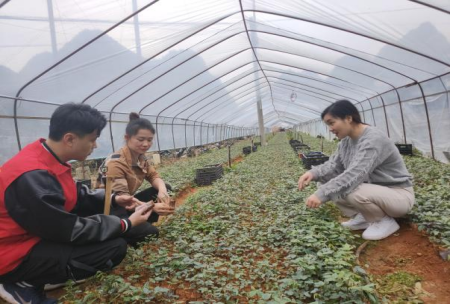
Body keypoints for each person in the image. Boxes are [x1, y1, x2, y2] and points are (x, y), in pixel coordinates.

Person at [0, 104, 154, 304]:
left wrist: (114, 199)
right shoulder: (32, 175)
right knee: (113, 248)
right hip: (13, 252)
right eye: (92, 140)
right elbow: (68, 229)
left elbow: (75, 194)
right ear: (70, 139)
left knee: (117, 239)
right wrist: (125, 224)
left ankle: (46, 272)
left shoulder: (46, 157)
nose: (95, 146)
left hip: (37, 234)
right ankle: (18, 281)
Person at [298, 100, 415, 241]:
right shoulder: (346, 142)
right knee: (325, 184)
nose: (330, 128)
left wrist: (321, 195)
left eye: (331, 122)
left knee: (352, 188)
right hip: (374, 191)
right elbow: (333, 166)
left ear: (348, 118)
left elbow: (355, 174)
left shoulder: (373, 139)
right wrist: (313, 173)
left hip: (398, 195)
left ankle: (382, 221)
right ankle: (363, 217)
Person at [97, 113, 175, 245]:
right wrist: (153, 206)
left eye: (149, 140)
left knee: (165, 187)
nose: (146, 144)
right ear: (127, 138)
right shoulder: (116, 163)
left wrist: (162, 191)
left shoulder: (141, 157)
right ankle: (123, 233)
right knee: (151, 233)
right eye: (140, 139)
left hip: (128, 203)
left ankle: (143, 222)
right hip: (111, 209)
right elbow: (123, 199)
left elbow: (153, 176)